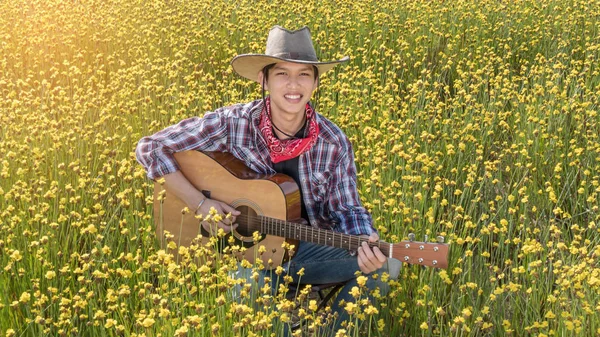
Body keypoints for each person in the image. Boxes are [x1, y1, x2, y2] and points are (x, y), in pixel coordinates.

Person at [136, 25, 394, 335]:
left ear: (315, 82)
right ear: (264, 79)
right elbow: (151, 147)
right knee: (250, 290)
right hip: (245, 256)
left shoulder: (333, 141)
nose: (293, 85)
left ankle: (326, 331)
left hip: (306, 251)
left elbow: (348, 209)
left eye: (304, 75)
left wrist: (366, 241)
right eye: (282, 74)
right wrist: (201, 203)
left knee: (387, 266)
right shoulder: (234, 123)